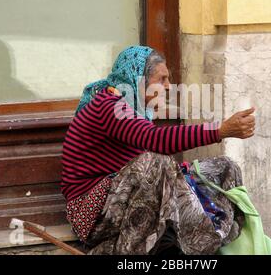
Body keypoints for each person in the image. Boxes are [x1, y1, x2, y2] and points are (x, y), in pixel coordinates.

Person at [60, 46, 256, 255]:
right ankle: (168, 245)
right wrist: (220, 130)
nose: (169, 86)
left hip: (122, 198)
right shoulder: (108, 106)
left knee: (224, 168)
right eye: (161, 79)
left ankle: (205, 237)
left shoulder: (133, 111)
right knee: (156, 162)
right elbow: (156, 141)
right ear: (138, 80)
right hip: (90, 213)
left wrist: (183, 174)